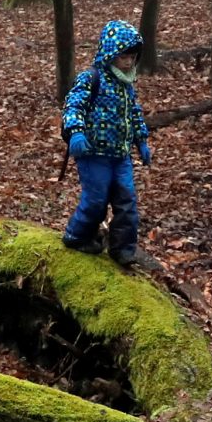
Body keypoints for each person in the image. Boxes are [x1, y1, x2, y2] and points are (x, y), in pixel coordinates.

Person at [62, 19, 154, 268]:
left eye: (132, 57)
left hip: (121, 156)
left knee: (127, 201)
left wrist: (141, 140)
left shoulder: (126, 85)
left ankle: (123, 249)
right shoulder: (91, 78)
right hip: (93, 154)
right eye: (123, 56)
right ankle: (77, 235)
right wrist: (76, 132)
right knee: (96, 199)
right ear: (110, 53)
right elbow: (73, 106)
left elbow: (134, 113)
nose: (128, 62)